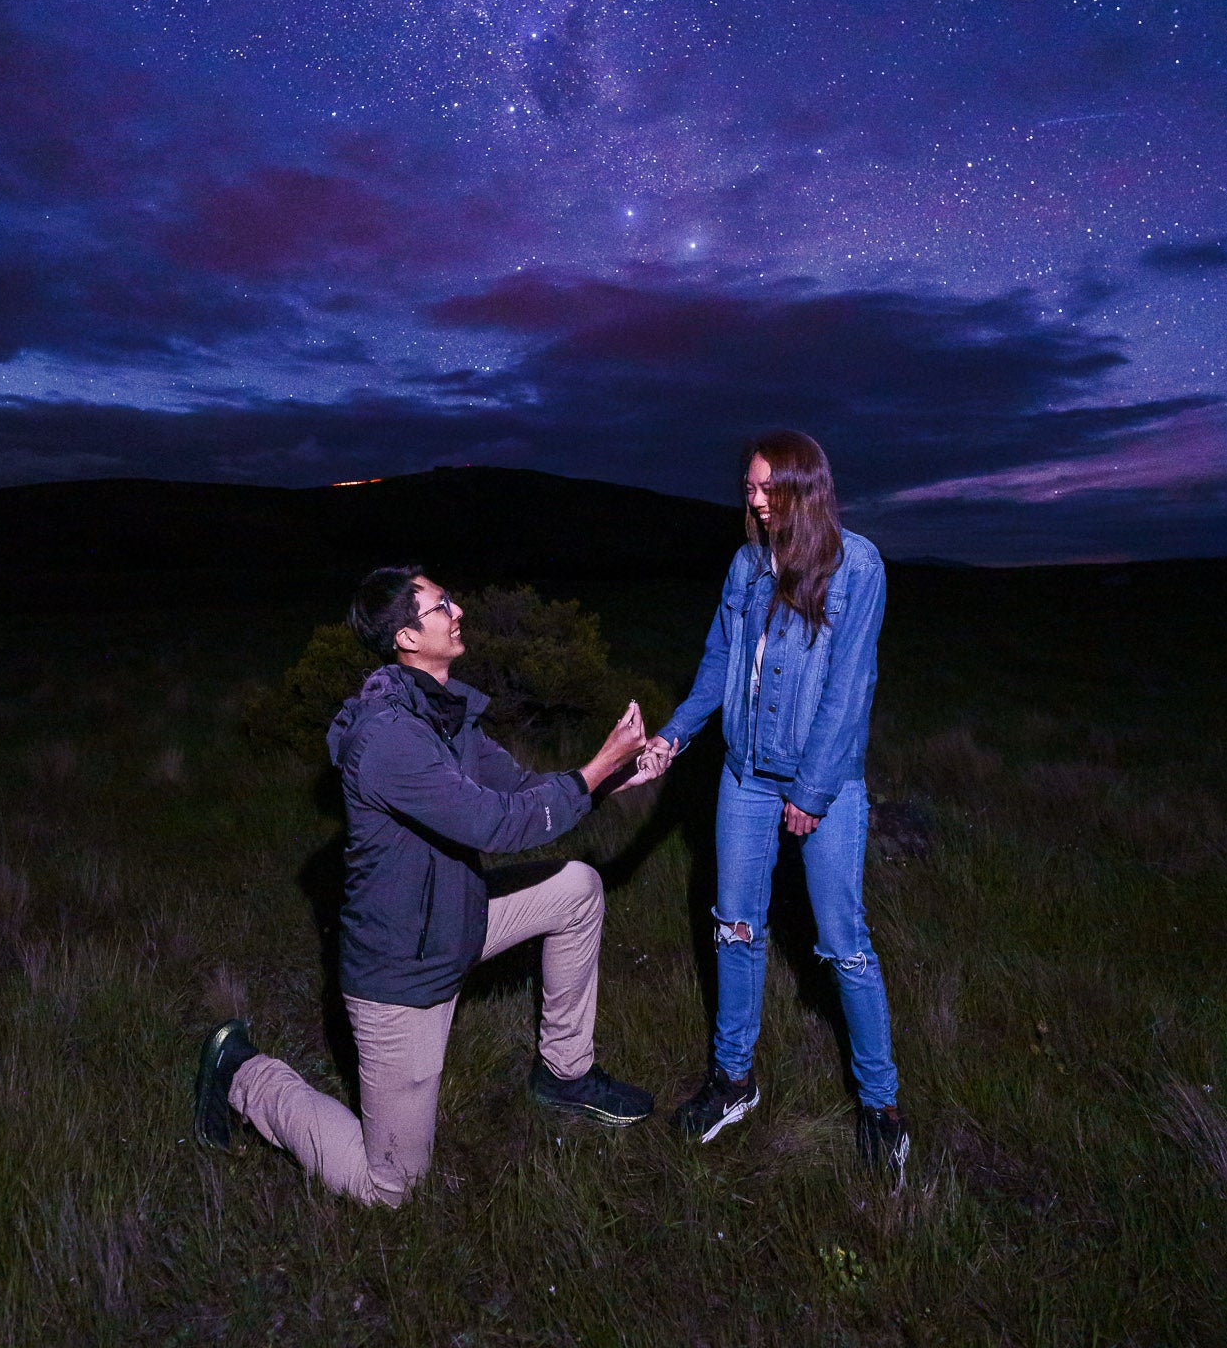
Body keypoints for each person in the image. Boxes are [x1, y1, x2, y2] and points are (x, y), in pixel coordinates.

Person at [194, 564, 656, 1207]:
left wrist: (609, 778)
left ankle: (565, 1074)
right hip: (402, 975)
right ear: (408, 637)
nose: (457, 610)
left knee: (576, 887)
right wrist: (595, 767)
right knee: (391, 1188)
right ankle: (244, 1074)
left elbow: (519, 790)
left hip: (455, 920)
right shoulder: (390, 738)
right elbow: (496, 824)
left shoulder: (446, 714)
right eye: (442, 605)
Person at [636, 431, 909, 1183]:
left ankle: (881, 1107)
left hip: (823, 782)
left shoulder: (857, 564)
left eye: (767, 488)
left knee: (843, 941)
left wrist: (810, 793)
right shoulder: (745, 565)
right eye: (747, 487)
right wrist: (670, 737)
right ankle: (733, 1080)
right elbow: (716, 664)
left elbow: (851, 687)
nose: (752, 500)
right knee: (734, 927)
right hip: (744, 776)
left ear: (805, 488)